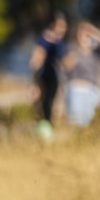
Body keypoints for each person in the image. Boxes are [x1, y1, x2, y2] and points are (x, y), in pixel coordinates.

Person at [62, 21, 100, 128]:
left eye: (87, 35)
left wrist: (96, 33)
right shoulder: (71, 48)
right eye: (82, 34)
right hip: (75, 90)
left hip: (93, 91)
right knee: (75, 123)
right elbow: (65, 65)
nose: (84, 37)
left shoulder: (96, 50)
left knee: (89, 125)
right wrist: (79, 51)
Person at [28, 11, 68, 141]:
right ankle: (43, 135)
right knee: (43, 106)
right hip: (44, 77)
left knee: (50, 106)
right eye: (60, 26)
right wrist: (34, 83)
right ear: (53, 25)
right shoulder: (44, 40)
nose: (63, 29)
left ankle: (48, 133)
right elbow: (36, 60)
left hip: (54, 77)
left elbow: (64, 61)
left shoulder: (58, 41)